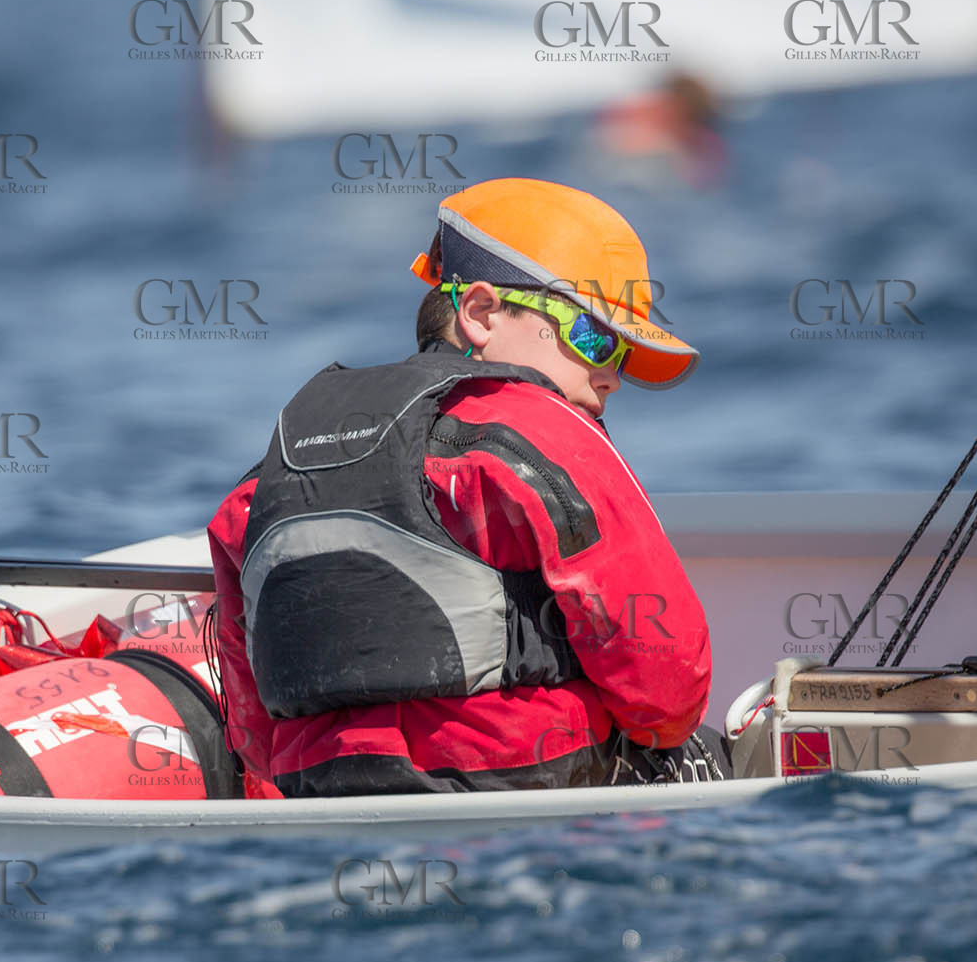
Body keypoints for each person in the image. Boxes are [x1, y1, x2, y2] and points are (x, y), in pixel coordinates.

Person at [205, 177, 712, 796]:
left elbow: (251, 722)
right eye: (594, 338)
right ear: (480, 313)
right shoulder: (547, 430)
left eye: (621, 357)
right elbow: (665, 686)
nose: (610, 377)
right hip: (521, 785)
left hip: (318, 792)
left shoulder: (273, 471)